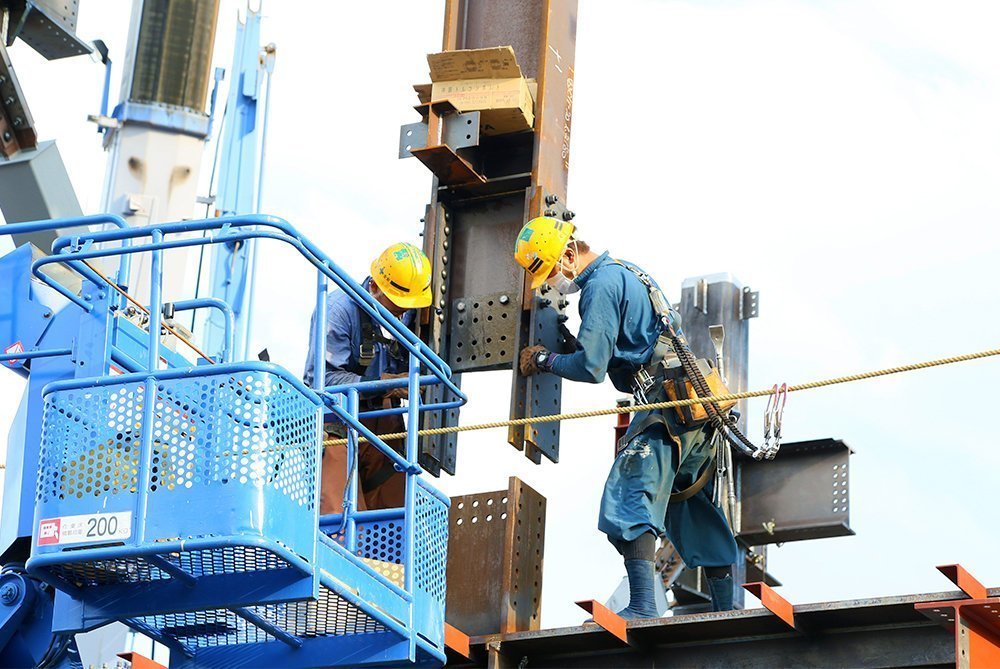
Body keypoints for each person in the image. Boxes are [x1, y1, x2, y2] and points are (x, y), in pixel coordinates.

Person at [513, 216, 738, 618]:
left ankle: (643, 605)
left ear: (569, 254)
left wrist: (545, 359)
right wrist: (575, 346)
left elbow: (592, 368)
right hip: (695, 406)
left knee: (630, 491)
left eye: (551, 272)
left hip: (665, 405)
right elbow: (625, 355)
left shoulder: (599, 286)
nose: (554, 283)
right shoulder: (628, 273)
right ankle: (728, 613)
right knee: (687, 500)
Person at [304, 241, 432, 515]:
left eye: (408, 307)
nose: (402, 313)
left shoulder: (410, 314)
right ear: (374, 287)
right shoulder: (338, 310)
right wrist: (386, 384)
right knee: (339, 513)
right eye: (397, 306)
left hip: (382, 421)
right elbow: (322, 380)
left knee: (394, 515)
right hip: (336, 418)